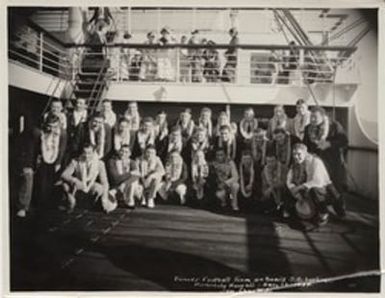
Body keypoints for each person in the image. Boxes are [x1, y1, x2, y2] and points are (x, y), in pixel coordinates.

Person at [16, 114, 67, 217]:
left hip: (53, 158)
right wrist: (29, 164)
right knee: (39, 182)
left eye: (55, 126)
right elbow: (31, 149)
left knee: (50, 183)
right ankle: (29, 206)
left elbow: (62, 148)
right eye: (50, 126)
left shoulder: (62, 133)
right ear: (45, 124)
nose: (52, 129)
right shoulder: (38, 133)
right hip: (39, 158)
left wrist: (58, 162)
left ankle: (47, 206)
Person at [286, 143, 346, 226]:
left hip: (325, 187)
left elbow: (317, 181)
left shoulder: (315, 161)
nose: (296, 157)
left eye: (299, 154)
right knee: (290, 191)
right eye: (294, 154)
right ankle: (311, 212)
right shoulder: (295, 164)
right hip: (307, 187)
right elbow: (289, 180)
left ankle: (324, 213)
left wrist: (299, 187)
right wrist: (293, 189)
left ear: (305, 153)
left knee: (317, 191)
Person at [60, 143, 114, 213]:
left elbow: (105, 182)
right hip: (78, 186)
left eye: (89, 153)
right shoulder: (75, 161)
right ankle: (72, 201)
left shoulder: (99, 164)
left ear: (94, 153)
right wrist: (74, 180)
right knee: (65, 186)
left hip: (90, 185)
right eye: (84, 153)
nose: (86, 156)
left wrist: (105, 199)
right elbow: (64, 174)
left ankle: (89, 204)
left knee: (99, 188)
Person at [303, 106, 348, 191]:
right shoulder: (308, 128)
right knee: (318, 186)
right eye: (311, 117)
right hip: (316, 162)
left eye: (315, 117)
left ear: (323, 116)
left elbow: (344, 141)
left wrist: (329, 144)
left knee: (334, 187)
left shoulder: (334, 126)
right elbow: (305, 145)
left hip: (332, 162)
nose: (312, 119)